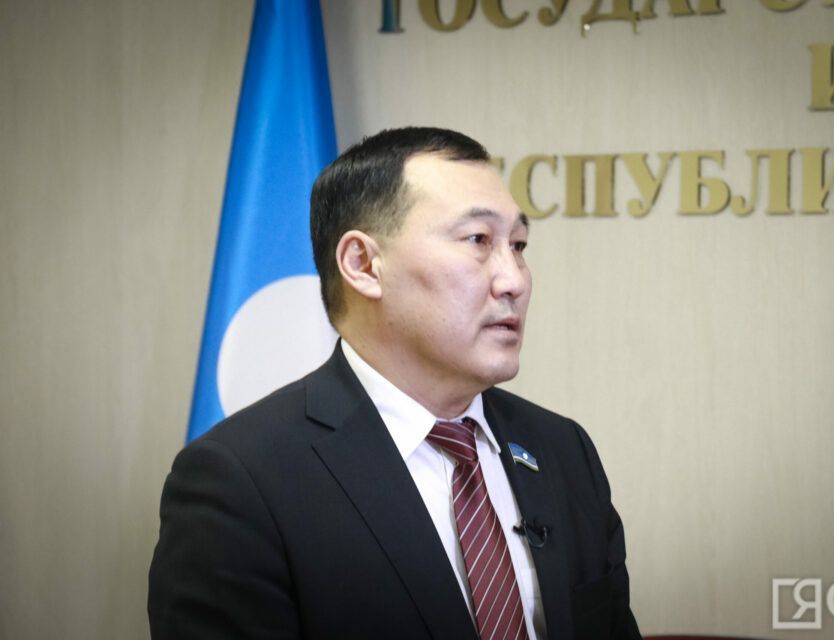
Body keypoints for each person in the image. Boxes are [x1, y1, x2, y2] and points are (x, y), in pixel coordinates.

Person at [148, 127, 642, 640]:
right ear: (363, 265)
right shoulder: (241, 481)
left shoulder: (563, 450)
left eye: (518, 245)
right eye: (478, 240)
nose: (515, 279)